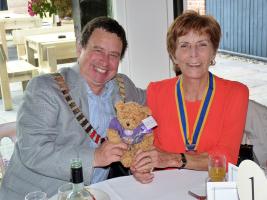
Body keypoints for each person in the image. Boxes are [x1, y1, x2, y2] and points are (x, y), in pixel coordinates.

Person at [0, 17, 145, 199]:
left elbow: (155, 103)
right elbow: (34, 151)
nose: (105, 61)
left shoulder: (122, 86)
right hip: (43, 193)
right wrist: (95, 157)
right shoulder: (45, 89)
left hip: (99, 192)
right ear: (79, 48)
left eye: (114, 55)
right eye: (98, 50)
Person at [130, 10, 249, 183]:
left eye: (202, 44)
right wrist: (141, 165)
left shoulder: (236, 93)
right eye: (184, 45)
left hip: (213, 183)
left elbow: (226, 157)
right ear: (174, 56)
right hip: (165, 185)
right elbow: (148, 144)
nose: (193, 53)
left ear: (213, 53)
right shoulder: (156, 91)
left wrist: (174, 159)